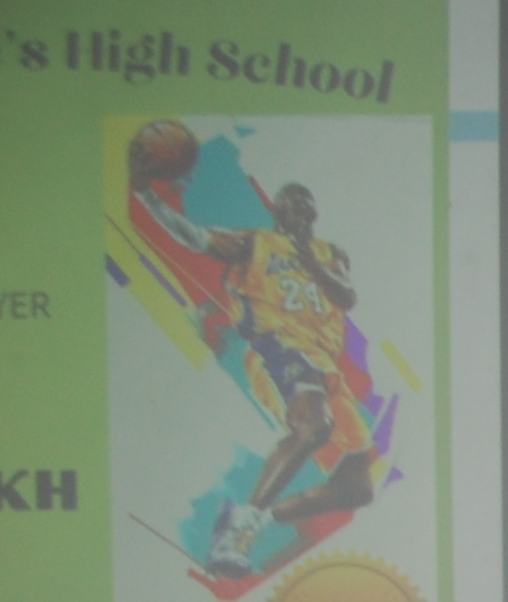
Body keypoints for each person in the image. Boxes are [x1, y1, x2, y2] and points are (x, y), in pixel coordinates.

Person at [133, 175, 376, 575]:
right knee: (314, 426)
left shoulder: (330, 253)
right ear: (278, 213)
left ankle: (253, 521)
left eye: (306, 203)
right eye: (291, 204)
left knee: (357, 488)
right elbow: (194, 237)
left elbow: (347, 296)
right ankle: (237, 531)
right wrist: (147, 196)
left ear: (314, 212)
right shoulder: (256, 243)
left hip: (322, 361)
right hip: (277, 347)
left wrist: (311, 263)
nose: (300, 209)